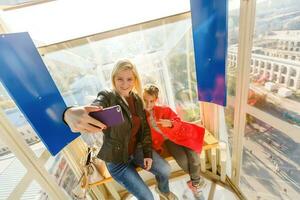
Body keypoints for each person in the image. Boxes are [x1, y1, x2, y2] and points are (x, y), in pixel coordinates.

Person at [63, 59, 178, 200]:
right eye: (120, 79)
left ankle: (163, 190)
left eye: (129, 79)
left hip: (137, 150)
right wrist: (69, 113)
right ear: (113, 79)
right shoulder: (107, 96)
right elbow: (97, 105)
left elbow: (144, 129)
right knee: (148, 198)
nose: (125, 84)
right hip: (117, 161)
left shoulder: (136, 99)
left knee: (165, 169)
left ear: (135, 80)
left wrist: (147, 153)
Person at [143, 84, 206, 199]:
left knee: (194, 157)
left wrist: (171, 124)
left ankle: (195, 185)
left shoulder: (164, 109)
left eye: (151, 101)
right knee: (183, 160)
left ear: (156, 100)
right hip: (169, 140)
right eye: (145, 100)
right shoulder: (142, 116)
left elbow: (177, 120)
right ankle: (196, 182)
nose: (148, 104)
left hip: (182, 135)